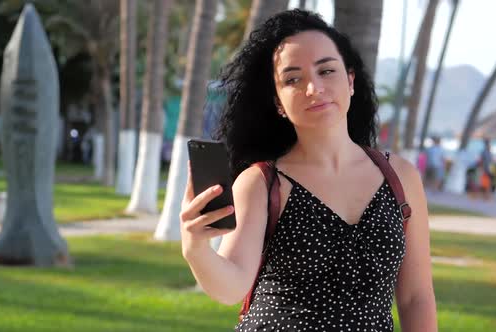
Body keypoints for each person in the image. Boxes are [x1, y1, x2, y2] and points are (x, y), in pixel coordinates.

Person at [180, 9, 436, 331]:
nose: (313, 88)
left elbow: (417, 298)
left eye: (326, 70)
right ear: (278, 103)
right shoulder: (262, 183)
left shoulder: (400, 177)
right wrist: (195, 247)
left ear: (351, 80)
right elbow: (230, 287)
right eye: (292, 79)